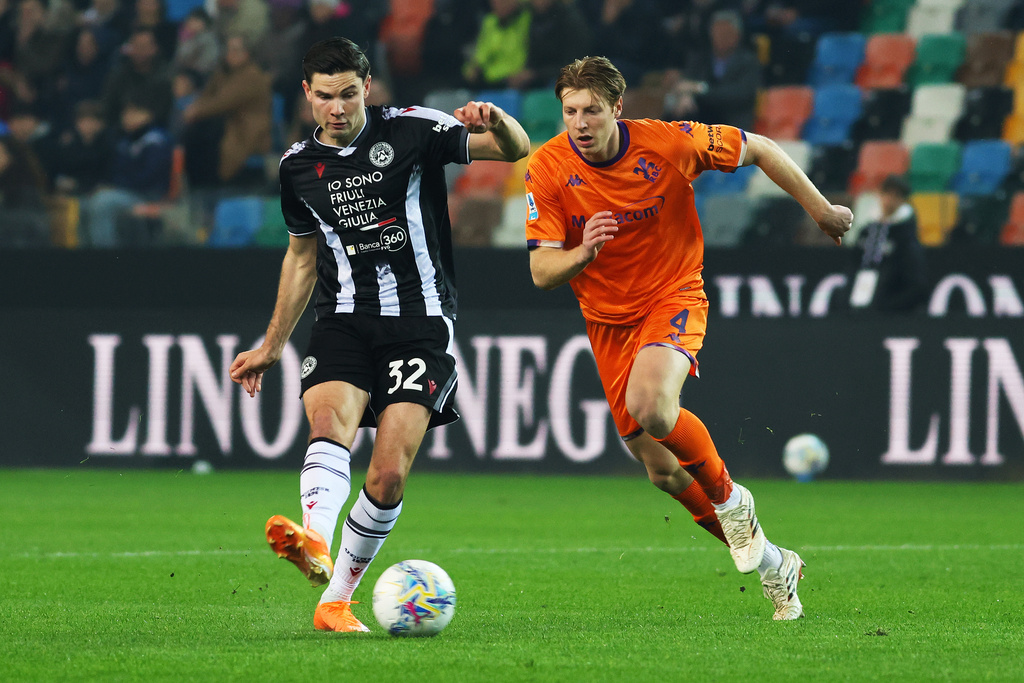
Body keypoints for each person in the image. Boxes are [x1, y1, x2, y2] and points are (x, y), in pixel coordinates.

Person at [524, 56, 852, 620]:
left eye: (592, 111)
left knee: (652, 405)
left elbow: (763, 148)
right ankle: (774, 563)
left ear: (617, 109)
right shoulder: (548, 167)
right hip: (607, 321)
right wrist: (584, 251)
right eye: (570, 110)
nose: (580, 122)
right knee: (662, 470)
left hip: (672, 295)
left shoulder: (670, 143)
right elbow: (541, 272)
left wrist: (819, 210)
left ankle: (731, 499)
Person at [229, 37, 529, 633]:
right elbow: (300, 258)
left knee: (387, 474)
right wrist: (272, 345)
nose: (337, 108)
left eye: (348, 94)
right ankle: (314, 538)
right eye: (324, 96)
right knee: (328, 423)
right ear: (307, 95)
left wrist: (498, 119)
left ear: (367, 88)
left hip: (419, 324)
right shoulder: (297, 168)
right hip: (342, 316)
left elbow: (512, 150)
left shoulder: (413, 130)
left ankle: (335, 600)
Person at [664, 9, 761, 132]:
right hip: (702, 120)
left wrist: (700, 89)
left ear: (737, 36)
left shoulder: (748, 62)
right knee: (676, 114)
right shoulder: (701, 58)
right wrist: (685, 95)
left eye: (726, 33)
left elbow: (739, 95)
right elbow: (687, 84)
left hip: (732, 121)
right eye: (717, 32)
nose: (721, 37)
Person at [850, 174, 927, 314]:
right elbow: (853, 266)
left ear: (903, 200)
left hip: (890, 310)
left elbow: (914, 280)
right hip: (858, 304)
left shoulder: (906, 235)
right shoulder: (866, 231)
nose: (889, 200)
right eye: (886, 193)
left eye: (896, 196)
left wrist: (887, 306)